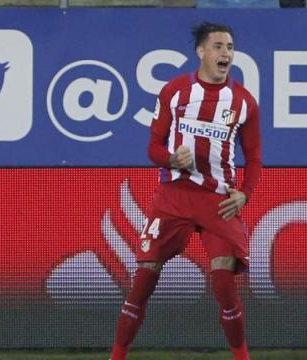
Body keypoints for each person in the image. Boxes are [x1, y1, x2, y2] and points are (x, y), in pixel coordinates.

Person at [109, 21, 261, 360]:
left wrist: (245, 193)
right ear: (201, 52)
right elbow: (152, 147)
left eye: (230, 47)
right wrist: (171, 158)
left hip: (218, 200)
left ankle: (242, 356)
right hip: (174, 197)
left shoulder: (244, 101)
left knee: (224, 282)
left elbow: (254, 157)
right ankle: (117, 355)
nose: (226, 53)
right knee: (144, 279)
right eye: (219, 46)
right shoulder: (174, 91)